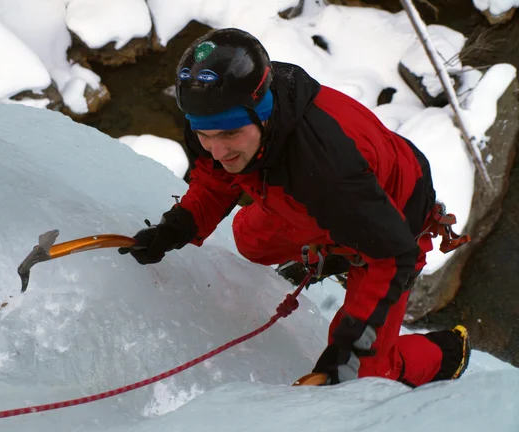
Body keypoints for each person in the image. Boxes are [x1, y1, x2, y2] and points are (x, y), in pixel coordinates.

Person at [119, 28, 471, 387]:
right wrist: (177, 226)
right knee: (249, 238)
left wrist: (345, 356)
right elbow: (214, 177)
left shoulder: (329, 170)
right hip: (329, 202)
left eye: (229, 134)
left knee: (363, 376)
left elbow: (396, 257)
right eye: (204, 135)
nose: (217, 150)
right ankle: (332, 250)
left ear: (263, 114)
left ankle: (446, 352)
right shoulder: (218, 114)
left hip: (391, 223)